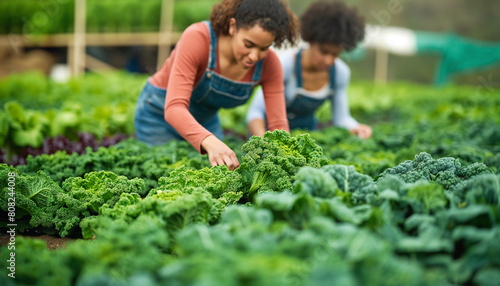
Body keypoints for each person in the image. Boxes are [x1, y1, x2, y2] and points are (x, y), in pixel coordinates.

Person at [134, 0, 298, 170]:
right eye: (248, 45)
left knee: (216, 179)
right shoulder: (198, 38)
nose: (254, 56)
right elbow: (174, 108)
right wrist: (210, 141)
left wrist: (283, 159)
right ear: (233, 27)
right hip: (159, 115)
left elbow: (278, 126)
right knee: (165, 175)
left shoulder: (270, 65)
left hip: (204, 121)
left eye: (264, 48)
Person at [246, 0, 372, 139]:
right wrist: (264, 141)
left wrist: (357, 128)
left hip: (306, 136)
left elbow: (341, 118)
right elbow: (255, 113)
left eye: (335, 54)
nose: (329, 60)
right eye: (324, 52)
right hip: (268, 133)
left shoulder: (340, 73)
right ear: (310, 40)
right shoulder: (285, 65)